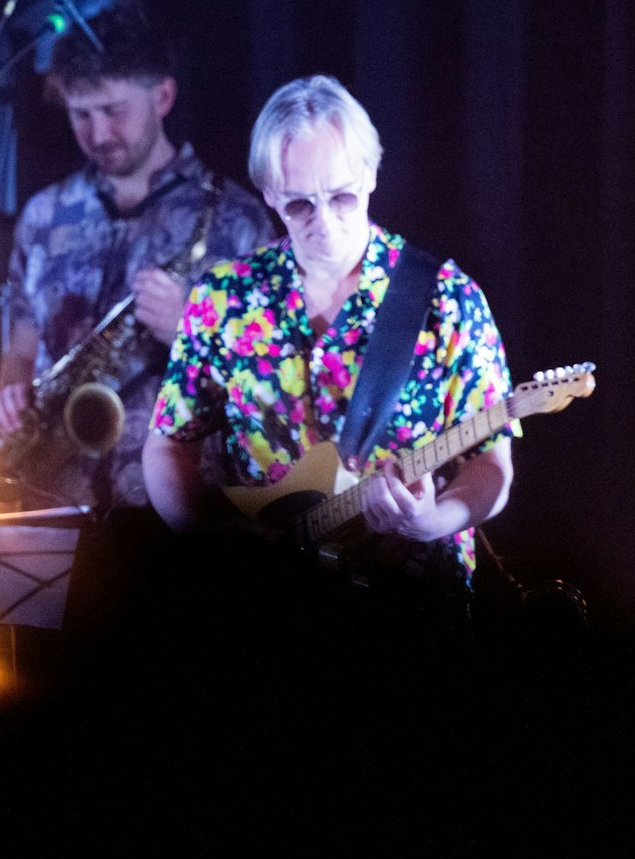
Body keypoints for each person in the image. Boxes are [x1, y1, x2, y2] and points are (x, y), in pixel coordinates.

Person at [143, 74, 514, 599]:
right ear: (269, 194)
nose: (325, 223)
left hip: (412, 598)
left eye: (341, 196)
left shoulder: (447, 300)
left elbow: (491, 460)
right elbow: (167, 445)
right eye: (299, 205)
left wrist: (434, 520)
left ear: (370, 175)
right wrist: (208, 546)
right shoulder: (224, 299)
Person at [0, 0, 271, 512]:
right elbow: (21, 351)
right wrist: (10, 395)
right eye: (81, 115)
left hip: (177, 510)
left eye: (114, 111)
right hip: (52, 500)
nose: (98, 134)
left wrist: (193, 327)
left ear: (163, 96)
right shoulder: (43, 216)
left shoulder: (238, 221)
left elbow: (277, 386)